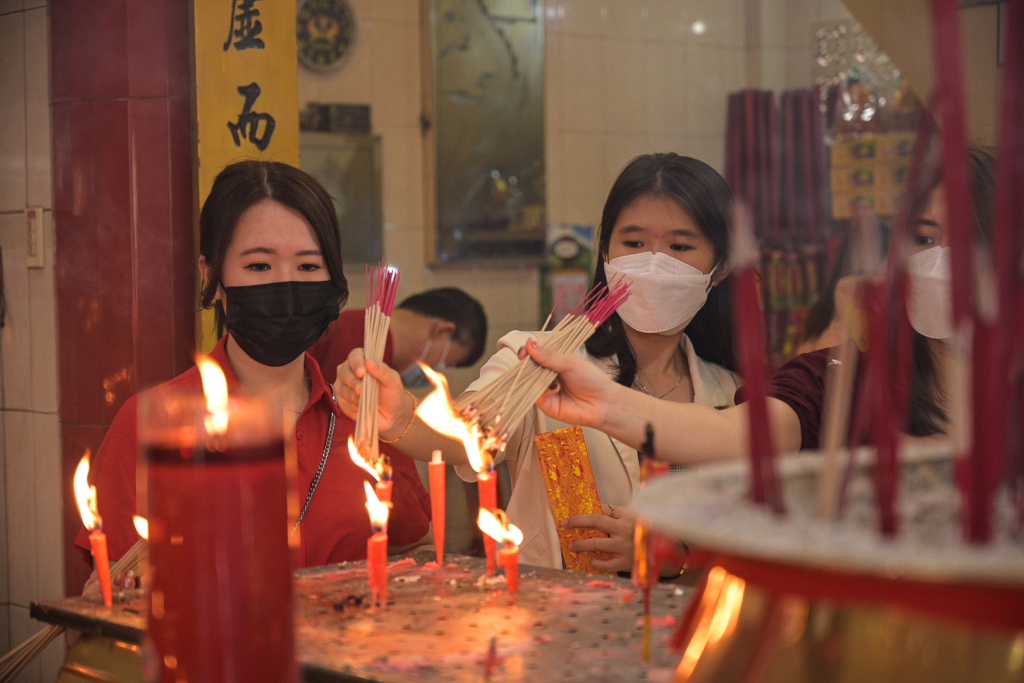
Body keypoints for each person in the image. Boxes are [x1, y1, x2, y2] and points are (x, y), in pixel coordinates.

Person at [336, 154, 742, 572]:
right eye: (634, 244)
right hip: (558, 625)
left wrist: (680, 556)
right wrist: (401, 415)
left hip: (691, 629)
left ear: (720, 266)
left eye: (679, 246)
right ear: (606, 253)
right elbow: (465, 435)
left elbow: (752, 538)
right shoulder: (541, 360)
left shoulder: (734, 395)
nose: (653, 264)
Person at [75, 161, 432, 582]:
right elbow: (103, 597)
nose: (286, 285)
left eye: (308, 267)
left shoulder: (366, 411)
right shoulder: (150, 421)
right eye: (259, 266)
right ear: (213, 277)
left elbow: (415, 551)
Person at [523, 147, 997, 464]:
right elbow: (740, 435)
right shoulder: (839, 382)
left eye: (972, 242)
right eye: (924, 238)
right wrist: (607, 404)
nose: (940, 263)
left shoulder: (723, 379)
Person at [309, 287, 488, 386]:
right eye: (445, 363)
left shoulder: (368, 337)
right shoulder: (353, 342)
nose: (438, 371)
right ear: (442, 331)